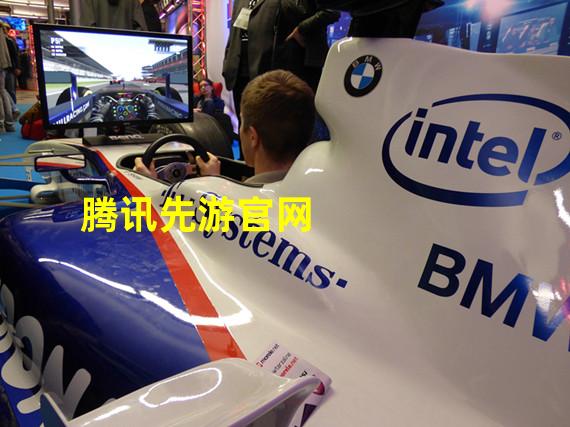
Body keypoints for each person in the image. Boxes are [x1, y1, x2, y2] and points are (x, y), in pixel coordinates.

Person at [135, 70, 314, 185]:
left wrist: (147, 185)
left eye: (242, 122)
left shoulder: (232, 210)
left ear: (253, 137)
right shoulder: (322, 194)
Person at [223, 0, 339, 118]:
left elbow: (331, 11)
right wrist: (228, 61)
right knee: (245, 122)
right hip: (239, 71)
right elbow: (235, 30)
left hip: (289, 67)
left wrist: (302, 29)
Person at [80, 0, 147, 30]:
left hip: (98, 50)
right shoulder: (133, 1)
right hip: (125, 49)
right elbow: (141, 31)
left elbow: (86, 29)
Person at [0, 29, 14, 133]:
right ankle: (8, 123)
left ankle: (1, 124)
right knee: (2, 91)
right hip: (3, 65)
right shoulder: (1, 31)